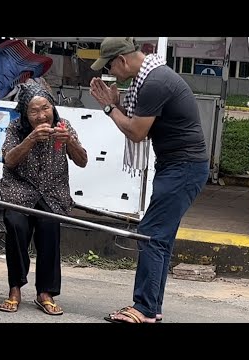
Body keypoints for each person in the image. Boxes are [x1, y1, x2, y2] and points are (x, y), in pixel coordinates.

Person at [89, 37, 209, 323]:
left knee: (151, 234)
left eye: (109, 67)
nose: (109, 74)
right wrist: (118, 104)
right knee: (160, 238)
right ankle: (151, 307)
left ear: (121, 60)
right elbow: (138, 120)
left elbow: (136, 132)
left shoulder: (155, 82)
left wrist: (110, 108)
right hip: (177, 166)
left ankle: (143, 308)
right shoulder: (150, 78)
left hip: (183, 168)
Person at [0, 81, 88, 314]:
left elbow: (82, 160)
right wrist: (30, 140)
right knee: (16, 224)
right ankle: (15, 288)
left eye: (45, 108)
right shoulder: (15, 129)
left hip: (52, 193)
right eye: (34, 111)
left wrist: (70, 142)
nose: (41, 115)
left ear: (53, 107)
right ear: (26, 114)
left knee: (50, 224)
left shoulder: (63, 126)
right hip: (19, 191)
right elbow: (9, 160)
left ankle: (44, 292)